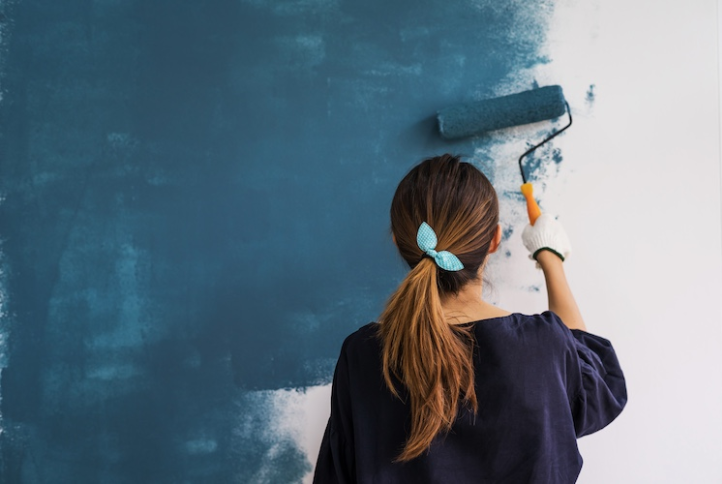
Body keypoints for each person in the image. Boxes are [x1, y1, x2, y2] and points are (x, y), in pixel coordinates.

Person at [313, 154, 627, 484]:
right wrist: (551, 258)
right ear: (494, 239)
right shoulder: (541, 346)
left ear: (398, 242)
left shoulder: (363, 355)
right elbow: (595, 384)